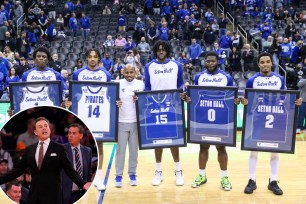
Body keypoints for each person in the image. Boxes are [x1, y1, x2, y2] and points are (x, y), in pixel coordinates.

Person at [241, 52, 302, 196]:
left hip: (275, 118)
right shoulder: (252, 81)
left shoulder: (279, 79)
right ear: (258, 64)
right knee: (253, 150)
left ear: (271, 63)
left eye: (267, 61)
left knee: (275, 150)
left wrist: (295, 102)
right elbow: (247, 101)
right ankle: (251, 180)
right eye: (262, 62)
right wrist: (244, 102)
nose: (265, 64)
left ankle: (273, 181)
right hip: (258, 119)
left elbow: (285, 98)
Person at [0, 117, 91, 204]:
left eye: (46, 126)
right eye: (40, 127)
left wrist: (83, 184)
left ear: (49, 130)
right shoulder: (30, 149)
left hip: (53, 196)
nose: (44, 128)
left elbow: (69, 170)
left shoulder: (59, 148)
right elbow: (17, 170)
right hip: (34, 196)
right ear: (35, 132)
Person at [187, 51, 239, 190]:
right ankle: (201, 175)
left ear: (218, 62)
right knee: (203, 146)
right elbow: (193, 95)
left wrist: (235, 100)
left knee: (221, 147)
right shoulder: (199, 77)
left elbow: (233, 95)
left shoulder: (226, 77)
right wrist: (188, 98)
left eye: (213, 61)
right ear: (205, 62)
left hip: (220, 117)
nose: (210, 63)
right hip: (204, 116)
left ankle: (224, 177)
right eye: (208, 61)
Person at [144, 40, 184, 186]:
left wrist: (182, 92)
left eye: (163, 49)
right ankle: (158, 172)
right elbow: (147, 87)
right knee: (157, 141)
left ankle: (178, 171)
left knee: (174, 140)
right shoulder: (149, 66)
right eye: (158, 49)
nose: (161, 51)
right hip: (155, 106)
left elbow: (180, 83)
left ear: (167, 50)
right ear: (155, 51)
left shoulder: (176, 65)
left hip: (172, 106)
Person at [72, 48, 111, 191]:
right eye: (90, 56)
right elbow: (74, 94)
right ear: (86, 58)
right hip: (82, 114)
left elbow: (110, 94)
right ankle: (78, 179)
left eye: (95, 57)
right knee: (77, 146)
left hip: (99, 115)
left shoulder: (105, 74)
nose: (93, 59)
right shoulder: (78, 74)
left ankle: (98, 178)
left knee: (99, 146)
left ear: (99, 59)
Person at [114, 64, 144, 187]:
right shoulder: (117, 84)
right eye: (127, 72)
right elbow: (111, 99)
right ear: (123, 72)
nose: (129, 75)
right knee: (120, 150)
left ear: (135, 73)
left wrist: (140, 100)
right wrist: (116, 102)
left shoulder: (140, 84)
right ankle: (118, 176)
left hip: (136, 122)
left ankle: (132, 174)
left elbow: (145, 101)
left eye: (131, 72)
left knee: (133, 151)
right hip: (121, 121)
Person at [62, 123, 92, 204]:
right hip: (66, 194)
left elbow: (88, 174)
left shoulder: (87, 151)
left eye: (74, 133)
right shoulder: (61, 149)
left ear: (81, 136)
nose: (70, 135)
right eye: (69, 133)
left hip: (83, 193)